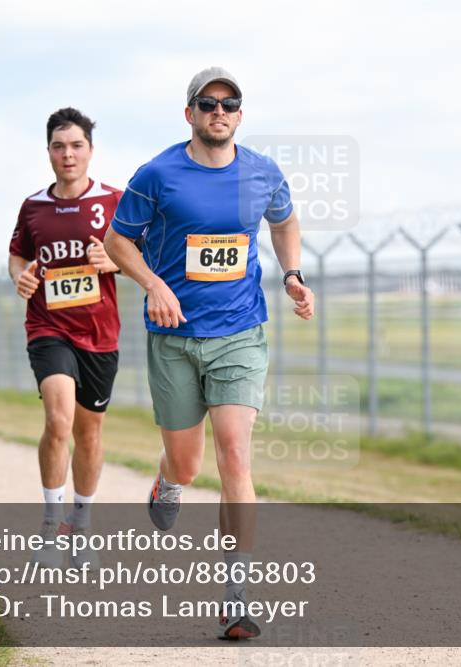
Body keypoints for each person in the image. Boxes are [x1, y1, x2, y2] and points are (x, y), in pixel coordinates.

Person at [105, 67, 315, 639]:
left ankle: (236, 596)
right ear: (190, 113)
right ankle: (167, 480)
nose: (218, 111)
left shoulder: (263, 173)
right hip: (173, 338)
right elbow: (117, 241)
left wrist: (292, 273)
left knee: (236, 458)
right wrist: (154, 284)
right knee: (188, 463)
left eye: (229, 103)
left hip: (240, 332)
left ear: (240, 115)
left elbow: (285, 220)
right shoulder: (157, 173)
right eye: (207, 103)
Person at [8, 108, 122, 569]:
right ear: (48, 151)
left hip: (99, 332)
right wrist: (21, 278)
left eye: (76, 145)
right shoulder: (33, 206)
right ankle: (50, 528)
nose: (67, 154)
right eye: (59, 146)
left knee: (89, 433)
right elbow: (17, 255)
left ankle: (82, 525)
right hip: (48, 327)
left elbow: (144, 254)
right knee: (59, 420)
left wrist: (112, 262)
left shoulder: (116, 201)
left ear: (90, 150)